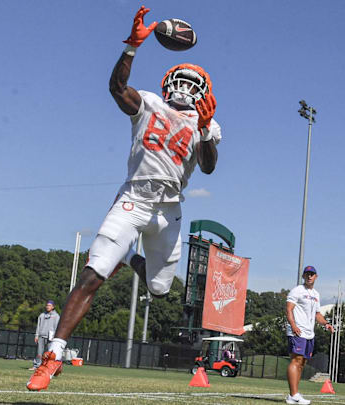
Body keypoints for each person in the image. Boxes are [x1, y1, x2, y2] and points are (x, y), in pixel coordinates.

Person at [27, 5, 221, 391]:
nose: (185, 88)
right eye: (180, 80)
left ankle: (130, 258)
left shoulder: (207, 123)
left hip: (169, 212)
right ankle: (53, 355)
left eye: (192, 83)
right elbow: (117, 88)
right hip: (133, 200)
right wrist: (132, 47)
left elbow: (209, 165)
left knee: (160, 288)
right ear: (169, 82)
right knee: (92, 274)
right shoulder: (148, 103)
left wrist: (204, 129)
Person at [285, 266, 334, 405]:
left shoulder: (316, 294)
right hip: (297, 331)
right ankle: (293, 395)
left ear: (316, 277)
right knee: (296, 360)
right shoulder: (297, 291)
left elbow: (317, 314)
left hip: (309, 333)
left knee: (302, 363)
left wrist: (326, 324)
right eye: (307, 274)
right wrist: (293, 325)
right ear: (303, 276)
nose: (309, 276)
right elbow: (289, 309)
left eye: (312, 274)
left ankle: (294, 395)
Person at [29, 300, 60, 370]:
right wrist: (36, 335)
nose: (47, 307)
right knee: (39, 353)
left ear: (53, 307)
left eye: (49, 305)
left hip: (50, 338)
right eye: (47, 305)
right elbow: (38, 326)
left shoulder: (56, 316)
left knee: (50, 354)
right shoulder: (42, 315)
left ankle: (47, 367)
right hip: (41, 336)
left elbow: (57, 327)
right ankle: (36, 366)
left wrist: (55, 337)